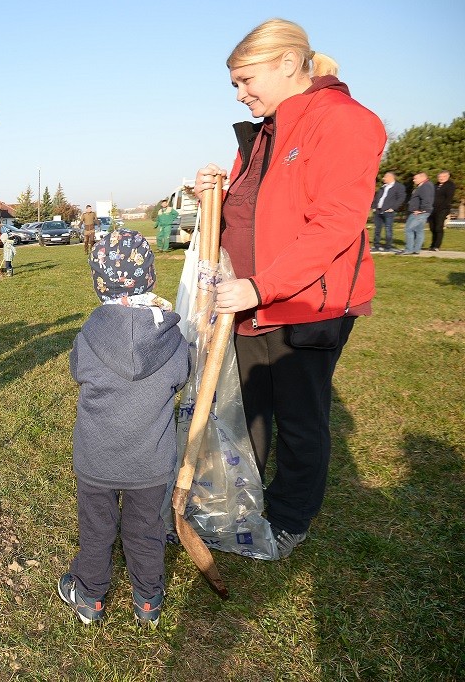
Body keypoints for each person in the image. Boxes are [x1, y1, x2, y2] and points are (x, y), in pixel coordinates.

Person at [192, 19, 385, 558]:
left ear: (286, 63)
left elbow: (335, 223)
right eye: (234, 84)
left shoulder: (344, 122)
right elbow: (257, 208)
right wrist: (217, 192)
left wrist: (263, 286)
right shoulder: (267, 130)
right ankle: (243, 503)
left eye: (246, 79)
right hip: (251, 299)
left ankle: (290, 517)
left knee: (300, 420)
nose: (240, 92)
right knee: (249, 412)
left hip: (304, 304)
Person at [58, 229, 188, 628]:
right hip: (151, 464)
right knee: (146, 532)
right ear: (148, 275)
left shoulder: (88, 337)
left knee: (97, 532)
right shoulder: (173, 338)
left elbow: (77, 371)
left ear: (99, 283)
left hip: (97, 461)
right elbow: (181, 377)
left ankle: (90, 597)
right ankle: (148, 600)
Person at [397, 173, 433, 255]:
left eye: (415, 178)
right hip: (422, 212)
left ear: (423, 178)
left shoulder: (425, 186)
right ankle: (416, 250)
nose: (414, 180)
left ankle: (409, 249)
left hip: (419, 213)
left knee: (409, 229)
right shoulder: (424, 185)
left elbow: (427, 199)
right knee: (419, 230)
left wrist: (422, 210)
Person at [371, 172, 406, 252]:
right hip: (378, 211)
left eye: (385, 177)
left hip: (388, 211)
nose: (383, 178)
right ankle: (376, 246)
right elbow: (377, 197)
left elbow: (401, 198)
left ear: (391, 177)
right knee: (377, 229)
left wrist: (393, 208)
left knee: (388, 229)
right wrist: (374, 207)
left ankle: (388, 247)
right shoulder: (383, 187)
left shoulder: (398, 187)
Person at [429, 171, 455, 251]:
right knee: (432, 227)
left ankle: (437, 245)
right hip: (432, 209)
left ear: (447, 176)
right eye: (439, 176)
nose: (441, 178)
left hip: (442, 209)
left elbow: (448, 199)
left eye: (443, 176)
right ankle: (432, 244)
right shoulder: (435, 185)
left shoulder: (450, 185)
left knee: (438, 227)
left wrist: (442, 207)